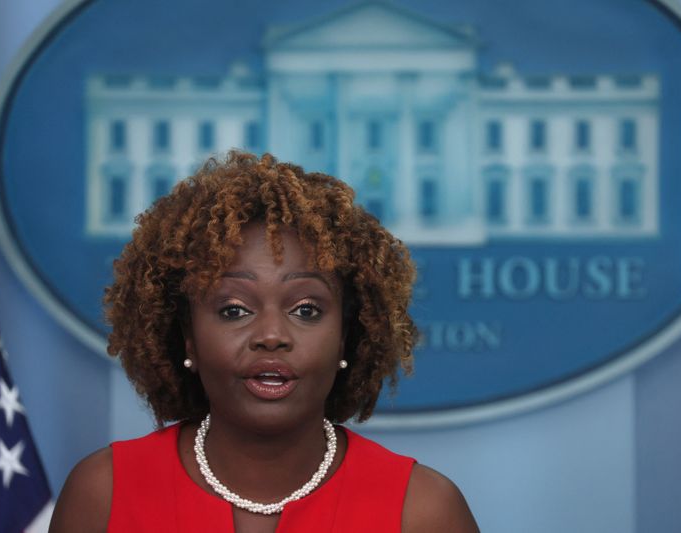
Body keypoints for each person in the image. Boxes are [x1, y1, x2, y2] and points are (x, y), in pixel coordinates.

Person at [50, 152, 479, 532]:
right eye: (234, 309)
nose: (272, 336)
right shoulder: (103, 495)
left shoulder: (422, 511)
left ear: (348, 338)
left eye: (306, 309)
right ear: (187, 340)